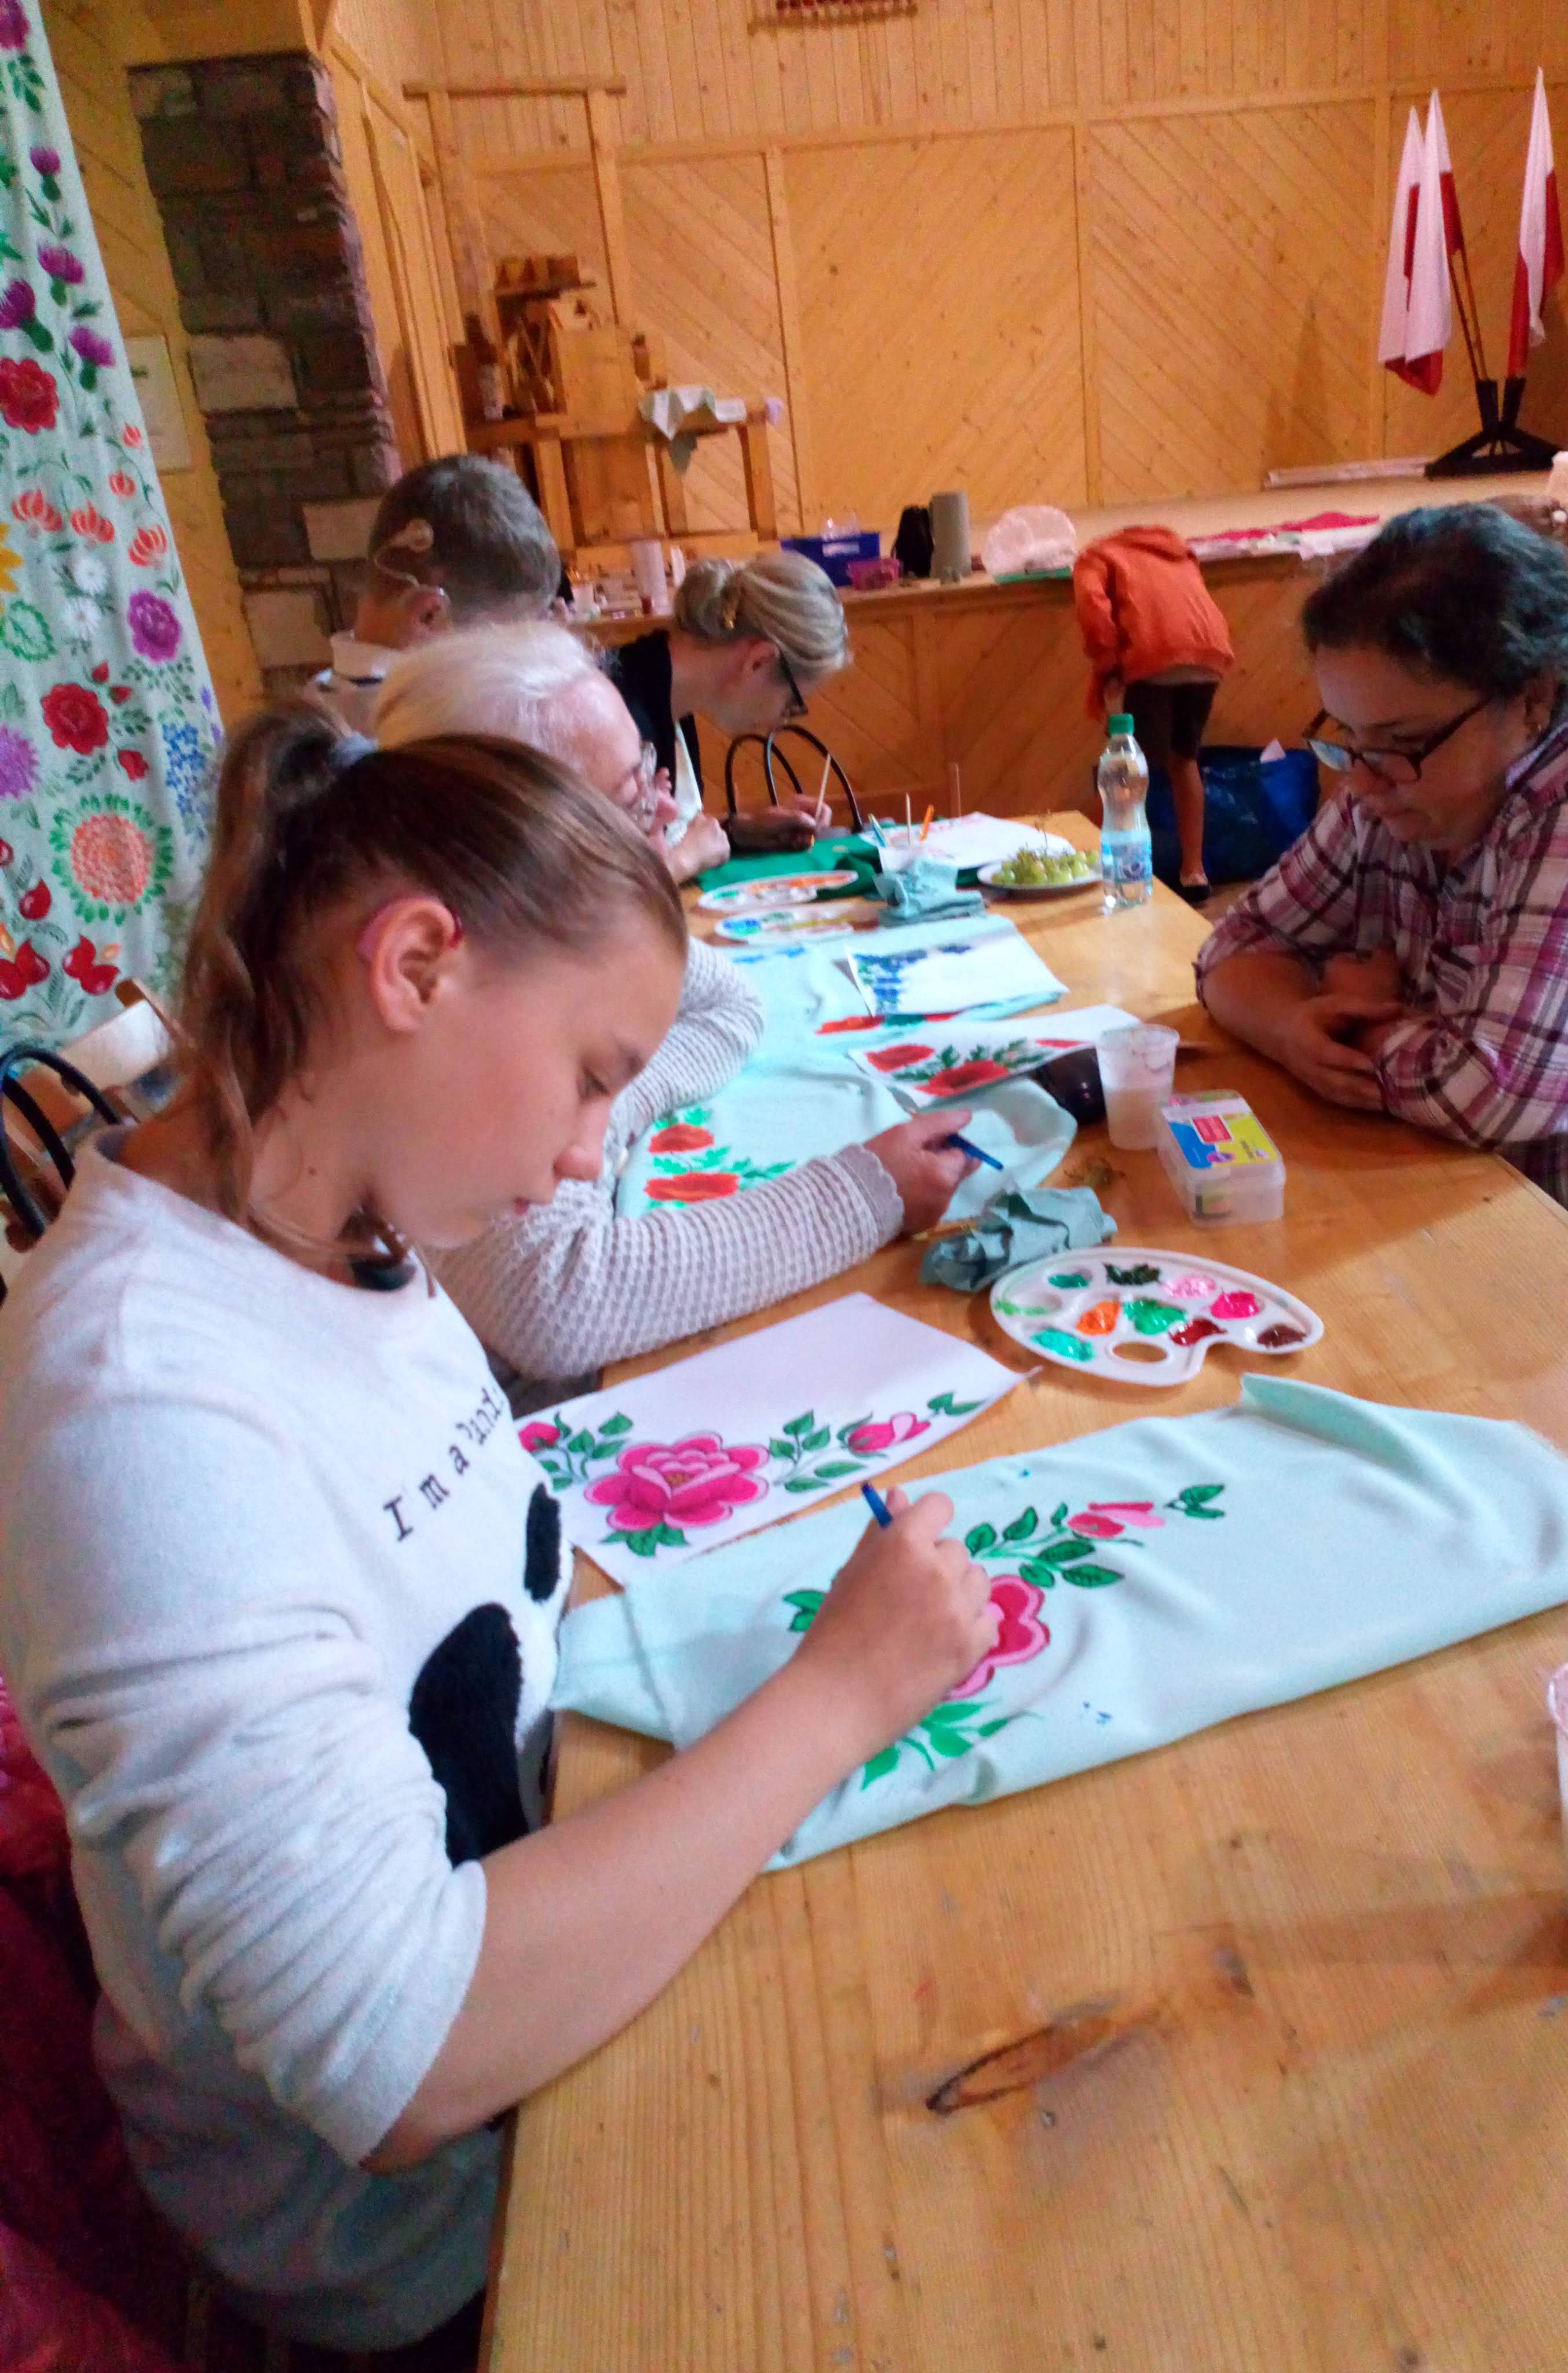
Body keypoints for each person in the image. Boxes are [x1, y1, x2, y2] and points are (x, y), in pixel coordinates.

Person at [0, 701, 995, 2363]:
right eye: (592, 1079)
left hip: (551, 1965)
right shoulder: (138, 1401)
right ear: (414, 967)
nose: (584, 1157)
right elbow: (401, 2053)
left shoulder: (346, 1224)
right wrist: (840, 1693)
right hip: (430, 2251)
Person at [1196, 503, 1568, 1376]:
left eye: (1398, 744)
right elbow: (1234, 947)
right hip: (1495, 1196)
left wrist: (1351, 1013)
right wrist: (1290, 1026)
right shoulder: (1408, 772)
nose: (1363, 783)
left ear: (1534, 697)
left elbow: (1492, 1095)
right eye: (1348, 740)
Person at [372, 623, 977, 1405]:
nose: (666, 807)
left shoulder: (557, 928)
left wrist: (607, 1100)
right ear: (514, 841)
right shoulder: (467, 1004)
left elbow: (729, 1003)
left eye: (651, 771)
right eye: (633, 795)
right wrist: (864, 1194)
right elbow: (560, 1302)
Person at [608, 550, 852, 865]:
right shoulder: (615, 714)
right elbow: (592, 885)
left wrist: (739, 833)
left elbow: (660, 837)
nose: (778, 722)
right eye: (791, 704)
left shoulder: (667, 690)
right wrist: (684, 861)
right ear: (759, 661)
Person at [312, 456, 562, 730]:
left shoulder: (317, 701)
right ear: (429, 615)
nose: (523, 654)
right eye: (509, 640)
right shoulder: (453, 728)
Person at [1072, 525, 1236, 904]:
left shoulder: (1095, 557)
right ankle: (1194, 872)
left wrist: (1108, 663)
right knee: (1184, 760)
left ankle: (1080, 859)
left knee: (1125, 769)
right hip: (1209, 657)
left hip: (1153, 657)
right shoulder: (1178, 553)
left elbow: (1092, 608)